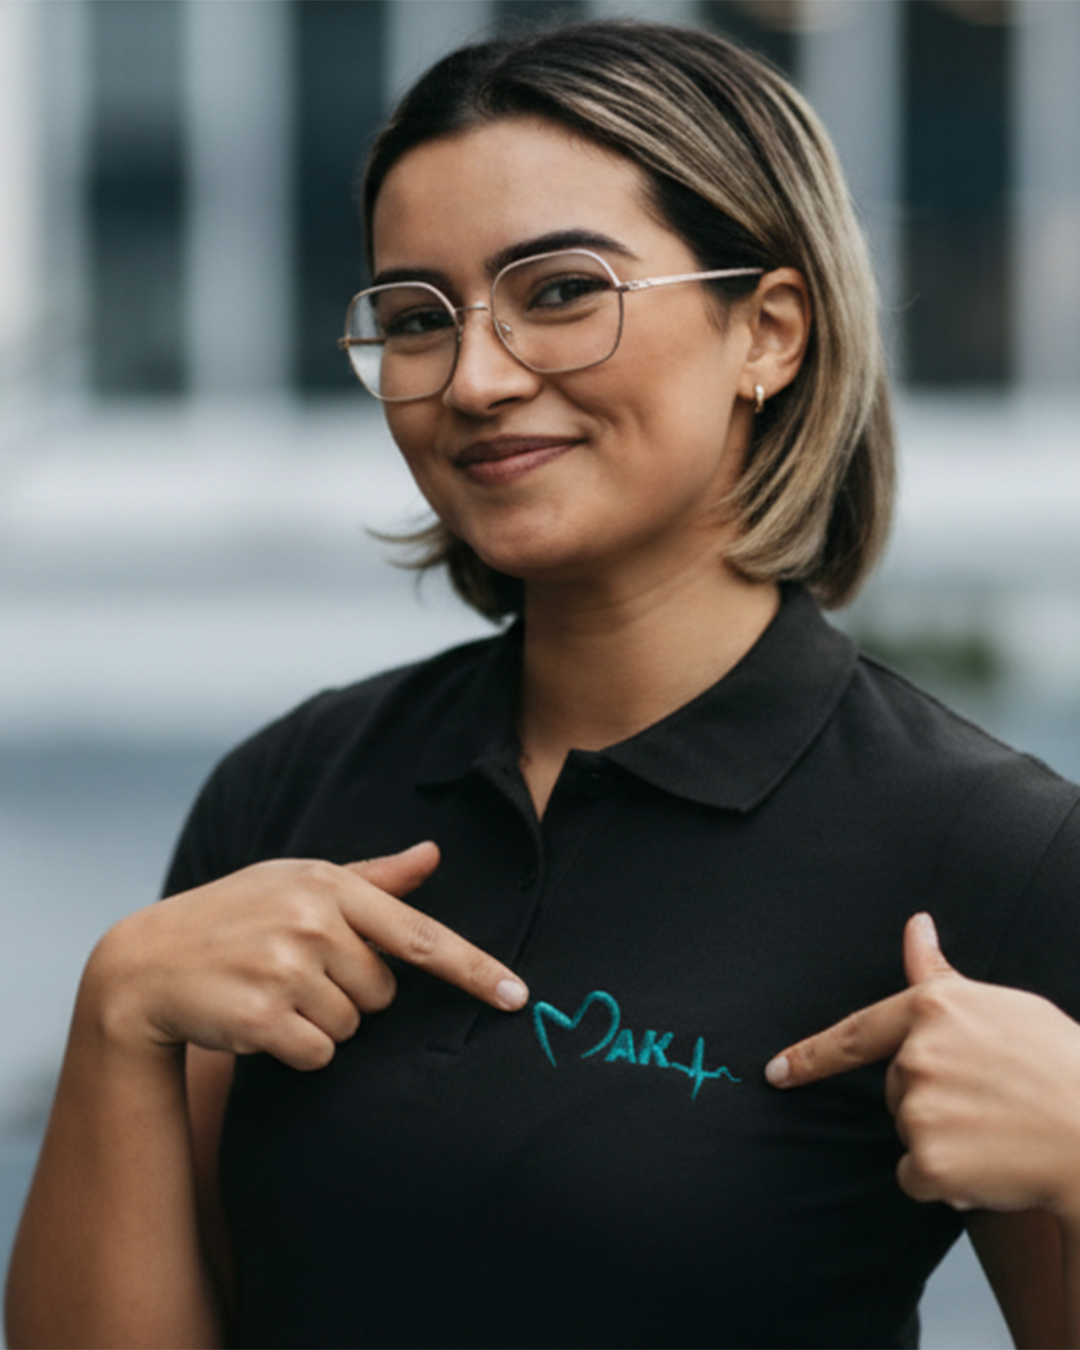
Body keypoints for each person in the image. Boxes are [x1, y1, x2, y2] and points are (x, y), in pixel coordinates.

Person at [6, 18, 1080, 1350]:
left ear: (772, 332)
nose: (476, 378)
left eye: (562, 291)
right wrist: (118, 1016)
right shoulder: (295, 783)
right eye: (414, 318)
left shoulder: (994, 847)